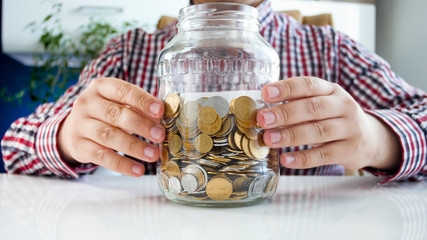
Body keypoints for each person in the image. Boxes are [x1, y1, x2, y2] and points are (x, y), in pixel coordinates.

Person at [2, 0, 426, 184]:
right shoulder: (129, 52)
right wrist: (65, 136)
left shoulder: (330, 49)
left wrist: (380, 139)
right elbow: (13, 147)